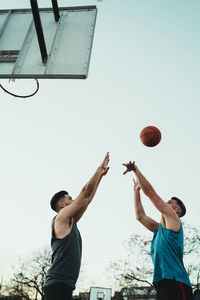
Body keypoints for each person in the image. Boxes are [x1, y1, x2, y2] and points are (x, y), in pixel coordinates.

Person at [43, 152, 110, 300]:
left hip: (64, 285)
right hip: (56, 285)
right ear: (62, 204)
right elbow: (85, 192)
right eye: (70, 198)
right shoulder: (61, 218)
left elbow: (88, 198)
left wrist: (100, 178)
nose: (74, 200)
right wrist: (99, 169)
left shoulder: (71, 221)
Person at [122, 161, 193, 300]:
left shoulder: (173, 219)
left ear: (177, 210)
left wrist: (136, 169)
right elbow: (140, 216)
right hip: (162, 283)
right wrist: (136, 192)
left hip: (177, 282)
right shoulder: (158, 229)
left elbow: (150, 193)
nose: (167, 202)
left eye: (171, 202)